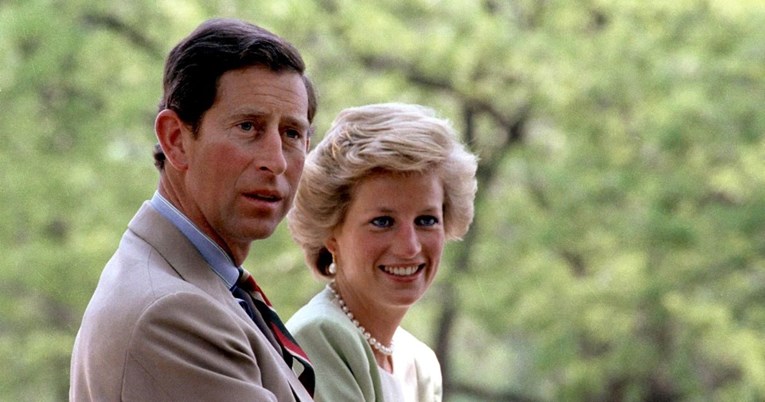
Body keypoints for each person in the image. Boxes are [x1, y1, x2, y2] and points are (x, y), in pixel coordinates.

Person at [69, 18, 317, 401]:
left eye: (292, 134)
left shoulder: (204, 284)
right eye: (248, 127)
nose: (276, 161)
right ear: (176, 140)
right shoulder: (171, 313)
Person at [286, 103, 478, 401]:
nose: (410, 247)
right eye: (383, 222)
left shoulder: (420, 363)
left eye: (426, 220)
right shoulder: (320, 335)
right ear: (331, 234)